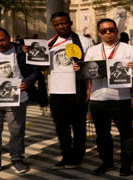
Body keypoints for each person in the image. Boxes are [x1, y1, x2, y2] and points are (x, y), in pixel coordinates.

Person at [77, 18, 133, 176]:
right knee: (102, 134)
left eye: (111, 30)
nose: (108, 33)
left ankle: (126, 165)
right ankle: (107, 163)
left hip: (121, 98)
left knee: (126, 134)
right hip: (98, 98)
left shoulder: (129, 49)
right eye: (104, 31)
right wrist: (79, 68)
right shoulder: (92, 51)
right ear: (99, 33)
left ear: (116, 31)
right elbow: (87, 72)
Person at [45, 12, 93, 169]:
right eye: (57, 24)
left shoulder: (85, 42)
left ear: (70, 22)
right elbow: (45, 68)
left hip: (77, 91)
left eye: (64, 23)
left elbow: (91, 67)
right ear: (53, 26)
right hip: (56, 91)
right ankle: (66, 155)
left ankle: (78, 157)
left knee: (79, 126)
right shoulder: (49, 44)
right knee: (61, 128)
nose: (61, 26)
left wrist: (89, 89)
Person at [0, 28, 40, 174]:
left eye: (2, 39)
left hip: (17, 99)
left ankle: (17, 159)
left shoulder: (21, 51)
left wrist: (27, 82)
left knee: (16, 131)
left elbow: (36, 71)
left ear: (9, 38)